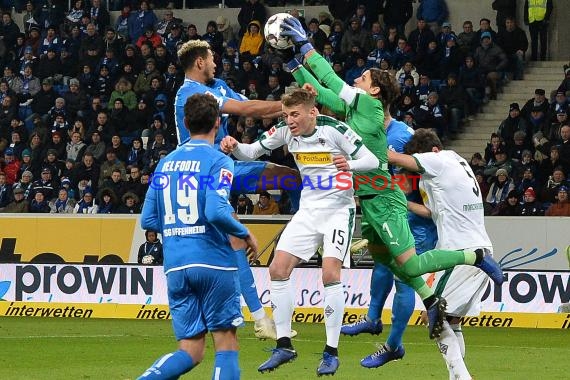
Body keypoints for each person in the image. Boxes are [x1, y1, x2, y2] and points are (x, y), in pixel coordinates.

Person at [279, 16, 504, 344]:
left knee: (409, 267)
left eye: (364, 76)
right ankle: (415, 306)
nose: (357, 77)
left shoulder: (367, 104)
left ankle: (476, 258)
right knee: (387, 265)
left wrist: (305, 46)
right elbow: (321, 96)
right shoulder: (355, 110)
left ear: (375, 90)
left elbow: (328, 77)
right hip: (368, 202)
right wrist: (292, 64)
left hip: (384, 199)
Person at [220, 88, 380, 376]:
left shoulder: (335, 130)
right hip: (308, 211)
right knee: (277, 269)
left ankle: (331, 353)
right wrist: (234, 147)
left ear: (312, 113)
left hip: (338, 211)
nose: (289, 120)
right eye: (285, 114)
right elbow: (251, 152)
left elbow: (372, 161)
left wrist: (350, 165)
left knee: (330, 274)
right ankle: (284, 345)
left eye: (294, 114)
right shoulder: (284, 131)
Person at [175, 40, 302, 340]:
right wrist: (290, 105)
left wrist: (291, 109)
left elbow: (253, 110)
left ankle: (305, 229)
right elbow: (246, 108)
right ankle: (260, 319)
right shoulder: (190, 94)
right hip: (201, 175)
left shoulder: (217, 85)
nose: (216, 63)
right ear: (199, 63)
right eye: (211, 59)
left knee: (291, 178)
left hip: (228, 167)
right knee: (234, 244)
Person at [138, 93, 258, 380]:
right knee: (226, 342)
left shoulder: (165, 163)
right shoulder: (219, 161)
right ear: (218, 122)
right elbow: (216, 211)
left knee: (191, 350)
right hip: (213, 262)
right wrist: (245, 233)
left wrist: (180, 229)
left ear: (185, 122)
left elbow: (148, 220)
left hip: (176, 266)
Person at [388, 129, 498, 380]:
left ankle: (462, 377)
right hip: (480, 247)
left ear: (433, 151)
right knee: (452, 321)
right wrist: (399, 200)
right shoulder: (454, 166)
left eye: (419, 160)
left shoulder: (440, 159)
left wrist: (366, 152)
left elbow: (395, 158)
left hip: (459, 252)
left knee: (434, 317)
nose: (417, 170)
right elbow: (431, 213)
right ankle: (457, 376)